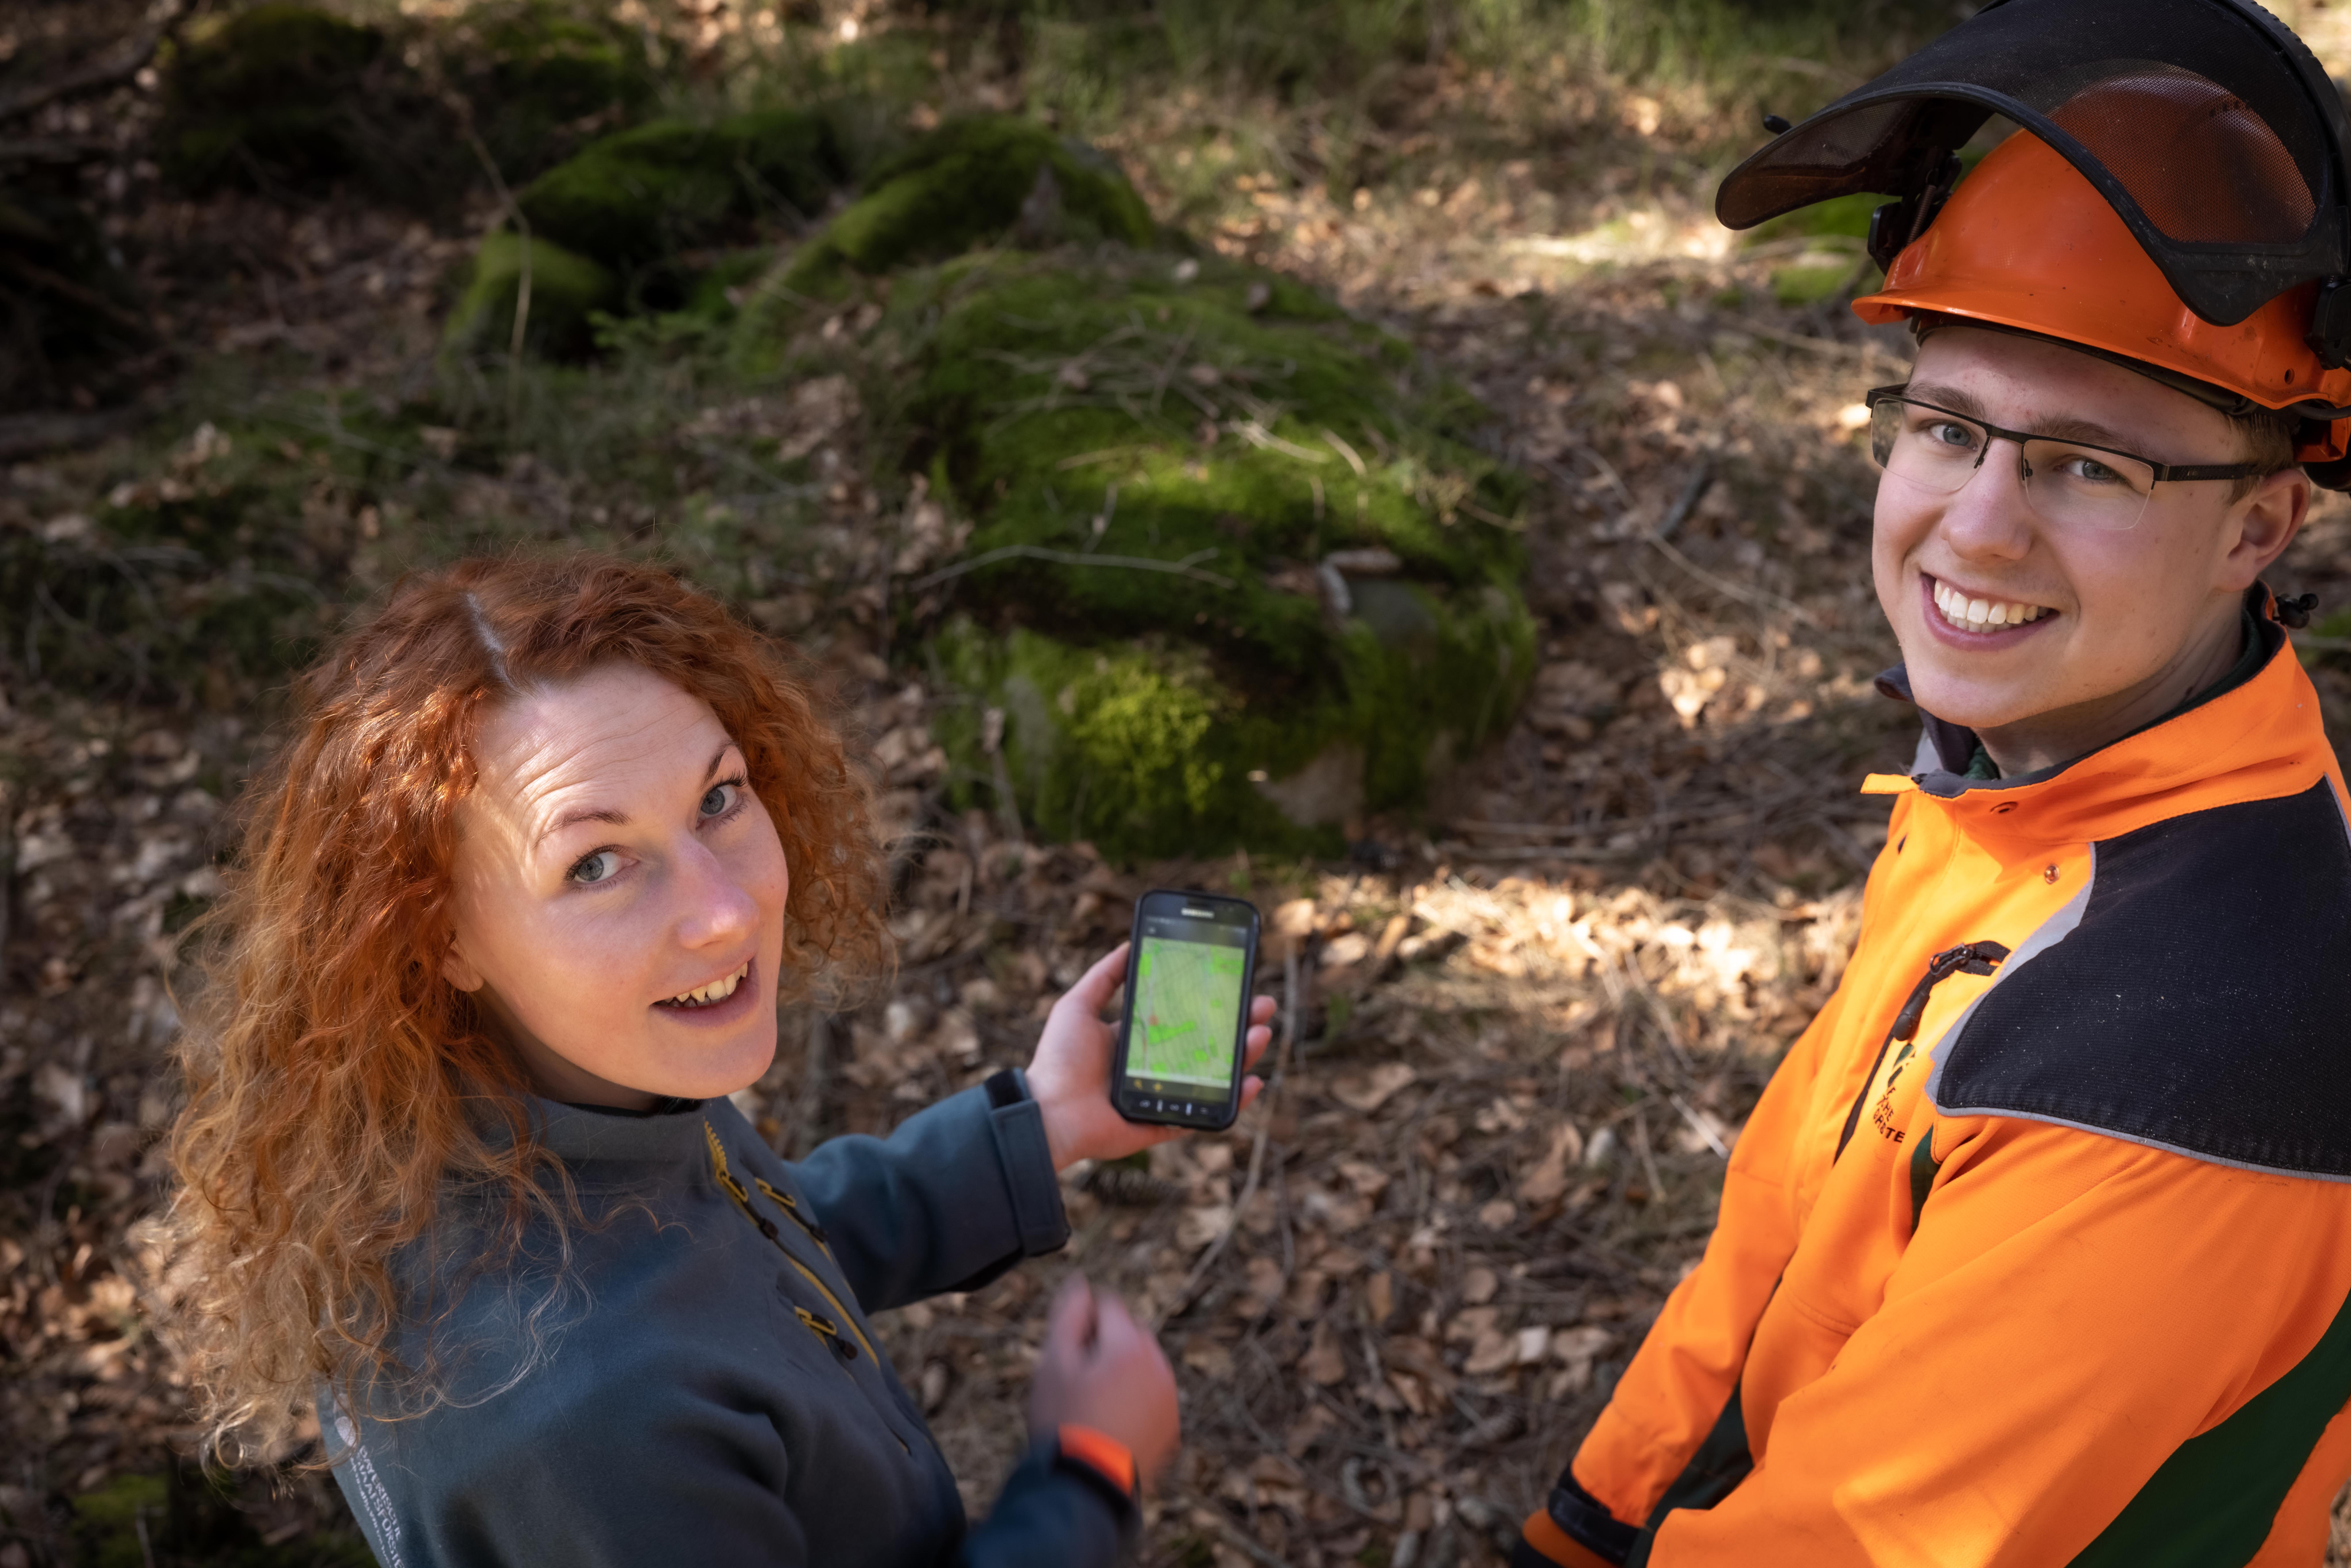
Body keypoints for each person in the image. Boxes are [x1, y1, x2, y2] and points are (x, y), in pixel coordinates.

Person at [1512, 3, 2351, 1565]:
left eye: (2092, 464)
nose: (1974, 528)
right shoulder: (2063, 784)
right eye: (1947, 425)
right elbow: (1793, 1235)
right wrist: (1592, 1519)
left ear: (2260, 525)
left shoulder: (2176, 1067)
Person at [163, 552, 1275, 1567]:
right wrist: (1087, 1473)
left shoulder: (546, 1103)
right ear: (436, 934)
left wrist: (1037, 1124)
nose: (725, 909)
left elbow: (744, 1240)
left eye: (718, 797)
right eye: (595, 862)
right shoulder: (584, 1421)